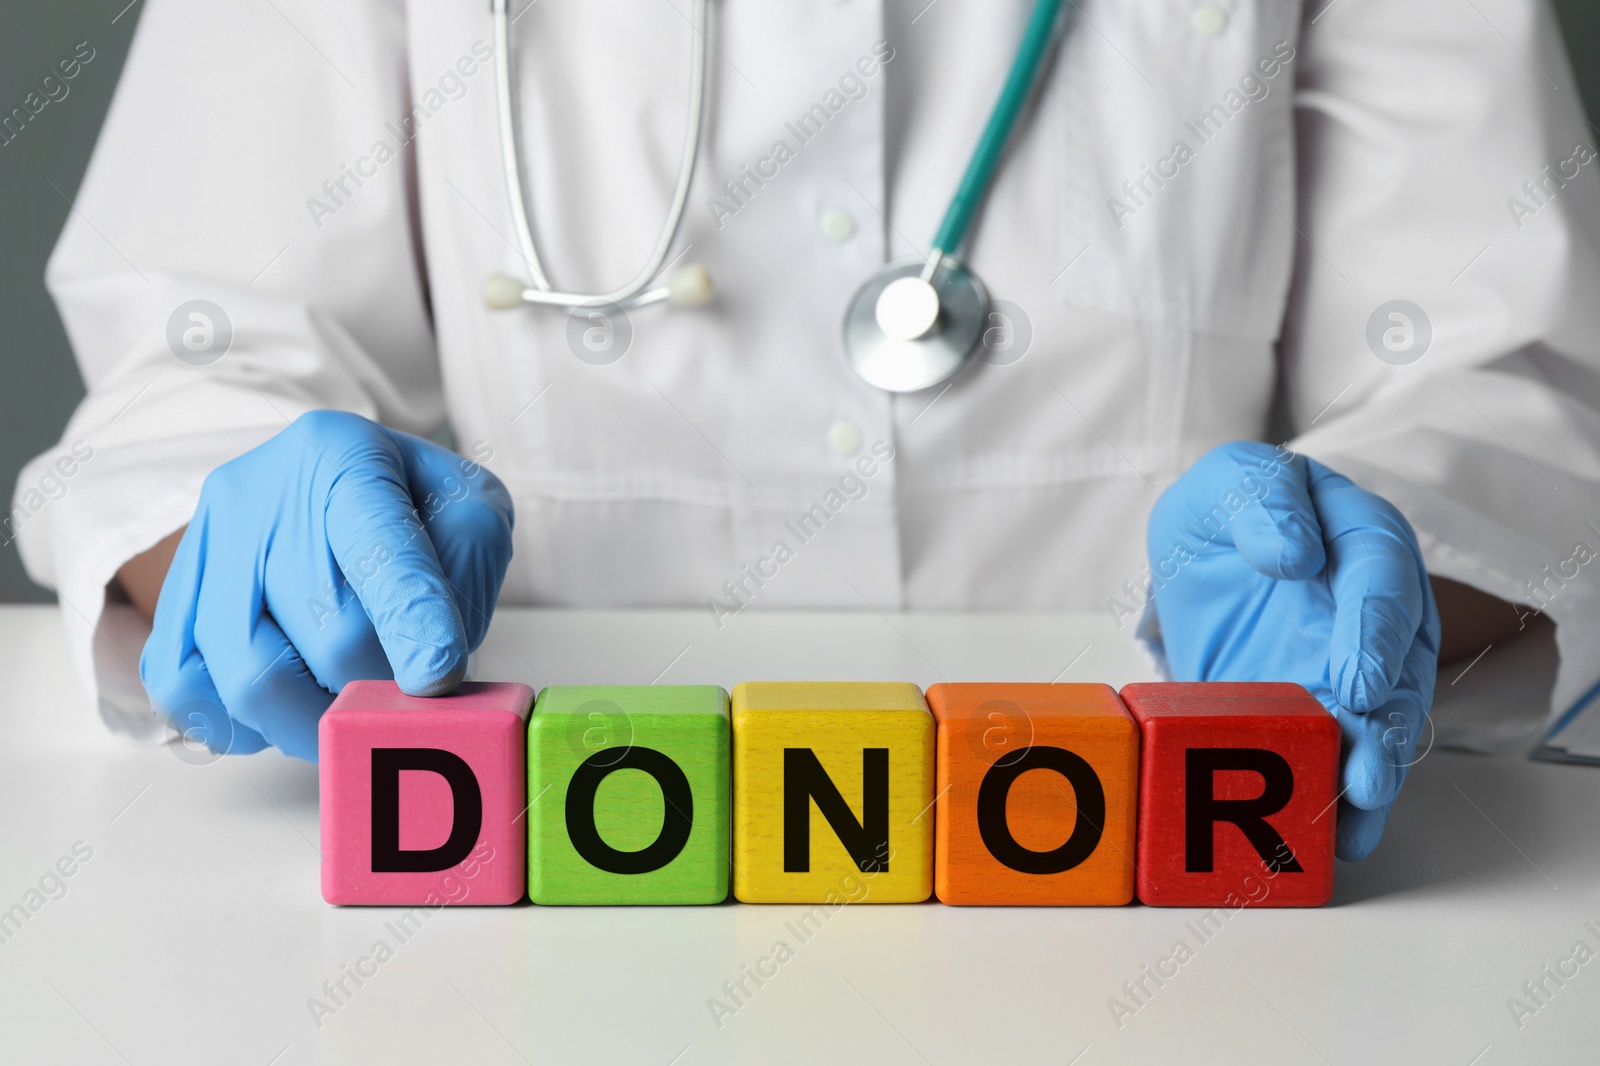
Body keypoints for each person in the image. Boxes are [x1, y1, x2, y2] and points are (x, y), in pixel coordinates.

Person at [13, 0, 1600, 864]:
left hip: (1150, 878)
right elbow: (196, 356)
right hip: (535, 908)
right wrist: (239, 529)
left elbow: (1495, 373)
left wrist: (1377, 569)